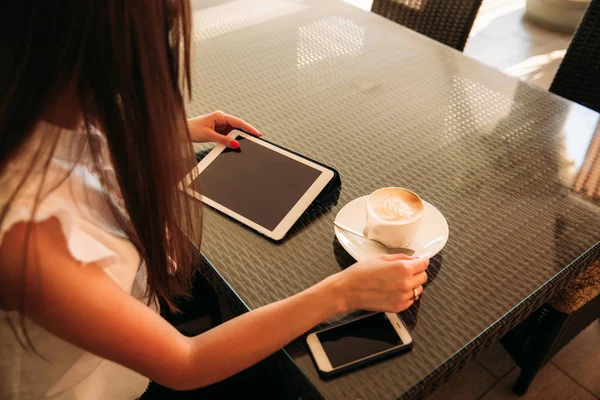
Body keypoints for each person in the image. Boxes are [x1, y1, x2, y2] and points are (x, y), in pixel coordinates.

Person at [0, 1, 429, 399]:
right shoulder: (29, 241)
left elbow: (89, 138)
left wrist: (179, 129)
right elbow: (186, 362)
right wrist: (341, 293)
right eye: (158, 38)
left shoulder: (35, 102)